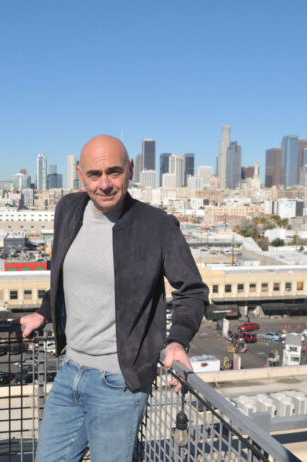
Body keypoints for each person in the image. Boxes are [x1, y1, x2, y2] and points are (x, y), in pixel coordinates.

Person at [20, 135, 209, 461]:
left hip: (119, 383)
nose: (104, 184)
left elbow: (191, 290)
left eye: (114, 172)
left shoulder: (157, 226)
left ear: (131, 170)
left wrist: (178, 340)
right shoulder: (69, 210)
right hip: (70, 372)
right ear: (80, 175)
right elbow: (67, 276)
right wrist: (43, 312)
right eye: (94, 174)